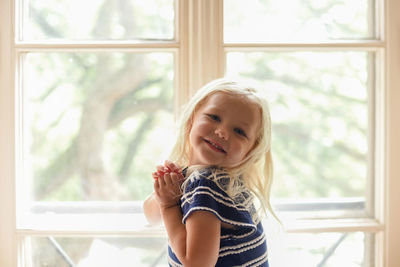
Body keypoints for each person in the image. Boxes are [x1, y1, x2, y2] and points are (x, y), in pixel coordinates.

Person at [143, 78, 276, 267]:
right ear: (192, 119)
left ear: (250, 150)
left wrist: (169, 207)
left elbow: (197, 264)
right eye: (214, 117)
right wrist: (165, 193)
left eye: (239, 131)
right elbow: (152, 217)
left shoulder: (207, 185)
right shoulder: (219, 180)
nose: (222, 132)